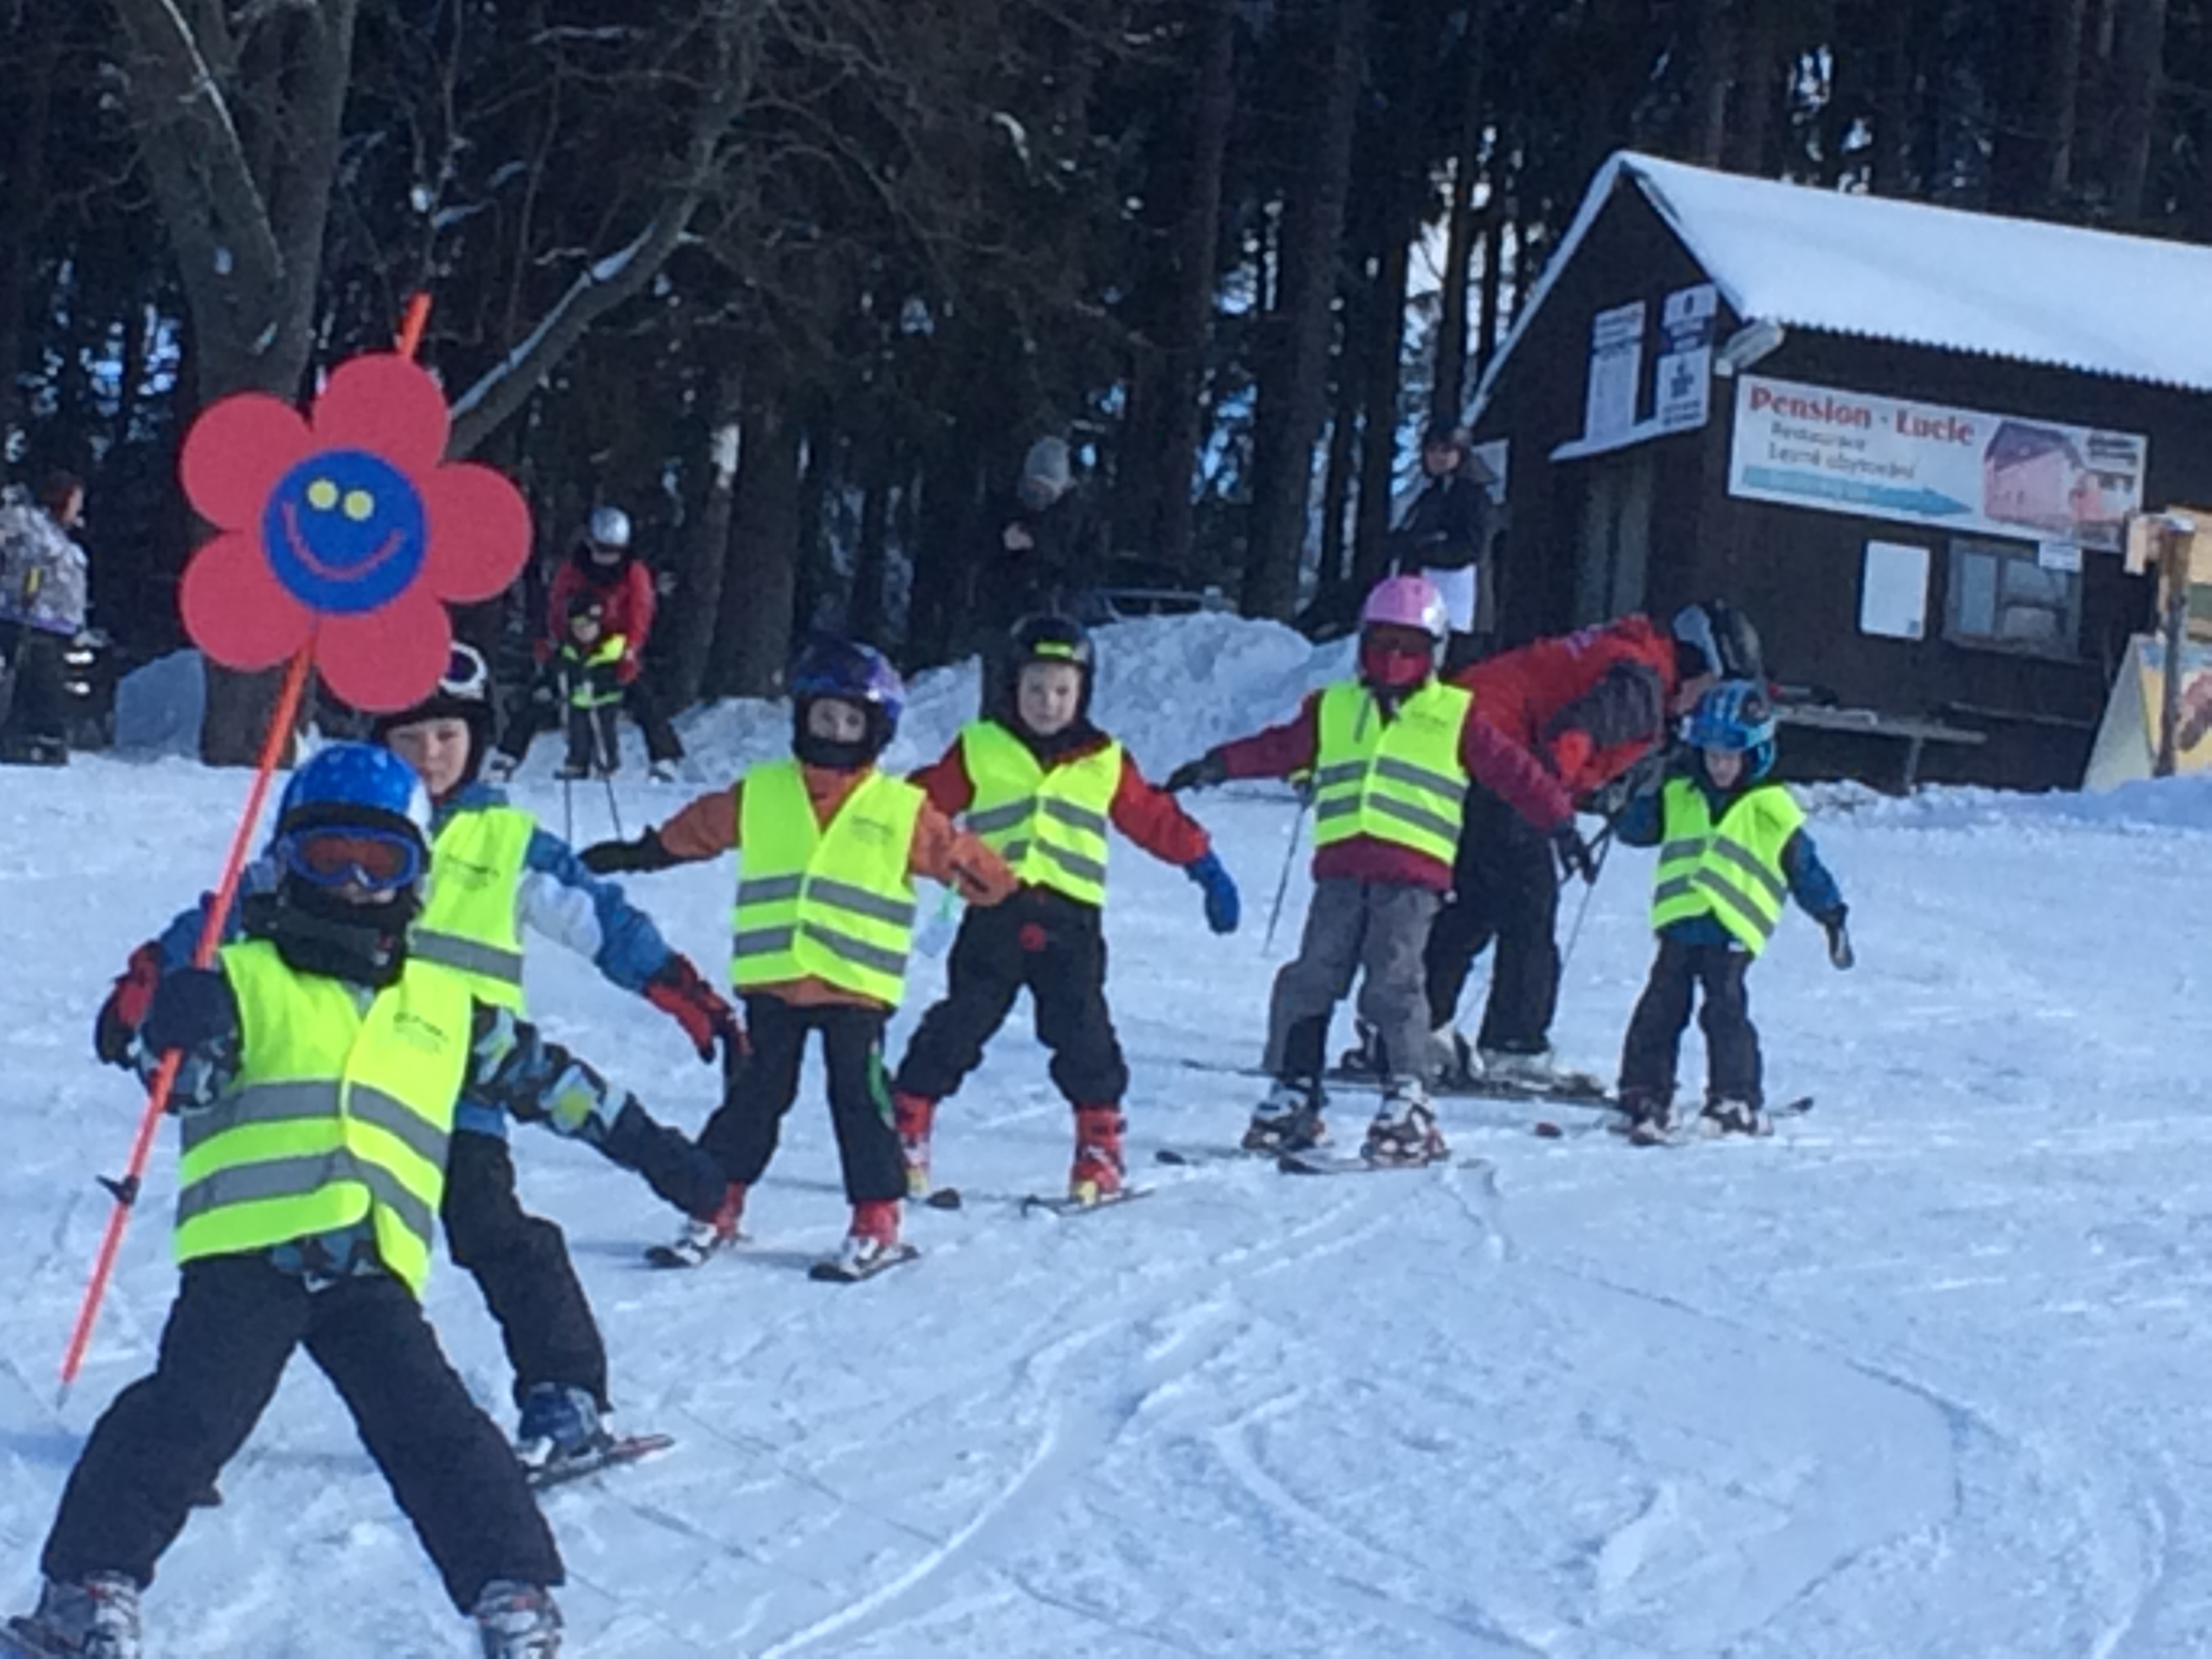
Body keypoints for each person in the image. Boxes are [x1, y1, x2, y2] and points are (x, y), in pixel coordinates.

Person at [3, 744, 678, 1658]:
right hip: (251, 1254)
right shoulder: (242, 976)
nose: (356, 885)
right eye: (331, 861)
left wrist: (658, 1151)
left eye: (381, 863)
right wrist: (171, 1022)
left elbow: (548, 1080)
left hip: (368, 1262)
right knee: (189, 1415)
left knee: (438, 1431)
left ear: (416, 879)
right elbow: (180, 1078)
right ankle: (87, 1588)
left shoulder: (444, 1002)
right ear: (286, 865)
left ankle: (513, 1596)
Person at [97, 648, 737, 1477]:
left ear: (478, 741)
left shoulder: (506, 843)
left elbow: (599, 919)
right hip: (317, 1086)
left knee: (497, 1232)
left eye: (449, 735)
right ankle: (185, 1434)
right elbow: (220, 921)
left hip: (456, 1080)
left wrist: (671, 984)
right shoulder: (328, 829)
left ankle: (563, 1393)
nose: (432, 755)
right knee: (260, 1275)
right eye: (412, 739)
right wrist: (149, 988)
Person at [581, 640, 1017, 1273]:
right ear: (802, 718)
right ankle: (715, 1203)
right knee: (754, 1097)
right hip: (775, 981)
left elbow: (959, 856)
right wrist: (641, 852)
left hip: (855, 988)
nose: (835, 733)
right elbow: (703, 826)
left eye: (850, 722)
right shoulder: (764, 792)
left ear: (876, 732)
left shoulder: (900, 809)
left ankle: (877, 1218)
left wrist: (1004, 891)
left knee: (858, 1099)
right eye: (824, 718)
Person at [1165, 575, 1578, 1166]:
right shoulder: (1335, 708)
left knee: (1394, 982)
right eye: (1381, 646)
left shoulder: (1454, 716)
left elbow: (1514, 771)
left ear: (1433, 653)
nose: (1392, 661)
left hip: (1412, 878)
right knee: (1311, 976)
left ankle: (1409, 1097)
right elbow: (1281, 747)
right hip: (1341, 870)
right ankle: (1295, 1088)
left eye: (1408, 649)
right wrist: (1218, 765)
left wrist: (1559, 820)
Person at [890, 615, 1240, 1204]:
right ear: (1011, 688)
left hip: (1071, 924)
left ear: (1083, 693)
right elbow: (917, 809)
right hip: (993, 914)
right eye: (1035, 689)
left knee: (1083, 1033)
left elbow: (1152, 816)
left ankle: (1099, 1144)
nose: (1048, 703)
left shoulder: (1103, 758)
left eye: (1062, 691)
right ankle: (909, 1124)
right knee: (961, 1021)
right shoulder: (980, 747)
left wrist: (1202, 864)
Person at [1403, 600, 1763, 1091]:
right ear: (1699, 664)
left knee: (1481, 901)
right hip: (1497, 759)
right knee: (1529, 905)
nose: (1704, 708)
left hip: (1459, 743)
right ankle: (1513, 1045)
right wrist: (1550, 808)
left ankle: (1410, 1024)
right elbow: (1573, 733)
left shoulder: (1635, 656)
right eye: (1712, 692)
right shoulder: (1638, 684)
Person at [1614, 680, 1851, 1144]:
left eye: (1730, 756)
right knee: (1660, 1007)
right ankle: (1645, 1089)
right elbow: (1634, 831)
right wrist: (1644, 788)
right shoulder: (1680, 792)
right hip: (1682, 923)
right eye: (1712, 755)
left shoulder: (1771, 809)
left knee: (1725, 1011)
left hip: (1732, 929)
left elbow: (1804, 867)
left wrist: (1831, 913)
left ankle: (1735, 1096)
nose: (1720, 766)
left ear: (1756, 754)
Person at [491, 506, 683, 781]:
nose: (607, 558)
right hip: (575, 644)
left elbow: (641, 612)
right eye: (602, 549)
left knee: (643, 699)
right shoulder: (573, 570)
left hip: (613, 649)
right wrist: (551, 642)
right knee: (541, 696)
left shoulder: (634, 573)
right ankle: (507, 756)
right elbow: (556, 606)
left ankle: (665, 757)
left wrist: (630, 650)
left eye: (614, 551)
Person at [0, 470, 91, 766]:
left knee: (53, 684)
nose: (78, 507)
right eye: (75, 500)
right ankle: (26, 737)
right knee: (35, 681)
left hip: (58, 627)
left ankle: (47, 737)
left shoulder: (60, 533)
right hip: (29, 620)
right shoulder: (30, 523)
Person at [1387, 423, 1494, 670]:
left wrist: (1424, 550)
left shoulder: (1472, 494)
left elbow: (1471, 548)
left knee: (1456, 677)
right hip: (1427, 605)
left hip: (1460, 608)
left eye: (1446, 451)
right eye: (1432, 450)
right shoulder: (1432, 494)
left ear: (1461, 454)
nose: (1438, 457)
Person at [557, 596, 627, 780]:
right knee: (577, 731)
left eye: (588, 625)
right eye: (577, 625)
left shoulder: (611, 648)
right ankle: (577, 762)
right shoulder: (569, 649)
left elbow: (619, 673)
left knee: (603, 731)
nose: (583, 630)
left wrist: (605, 684)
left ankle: (607, 764)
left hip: (603, 698)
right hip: (579, 699)